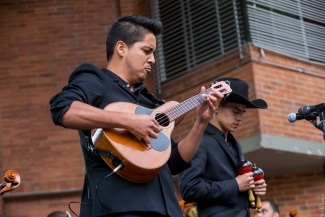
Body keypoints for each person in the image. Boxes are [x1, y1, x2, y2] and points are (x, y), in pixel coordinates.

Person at [49, 14, 228, 217]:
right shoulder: (95, 79)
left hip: (168, 210)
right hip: (118, 209)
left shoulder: (151, 103)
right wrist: (129, 121)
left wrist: (201, 122)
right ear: (121, 48)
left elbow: (173, 163)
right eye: (146, 51)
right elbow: (63, 109)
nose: (152, 59)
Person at [178, 77, 268, 217]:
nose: (240, 118)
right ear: (217, 106)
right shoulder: (199, 140)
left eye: (242, 113)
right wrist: (235, 185)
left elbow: (237, 188)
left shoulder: (234, 143)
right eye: (235, 111)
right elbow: (189, 188)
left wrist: (252, 186)